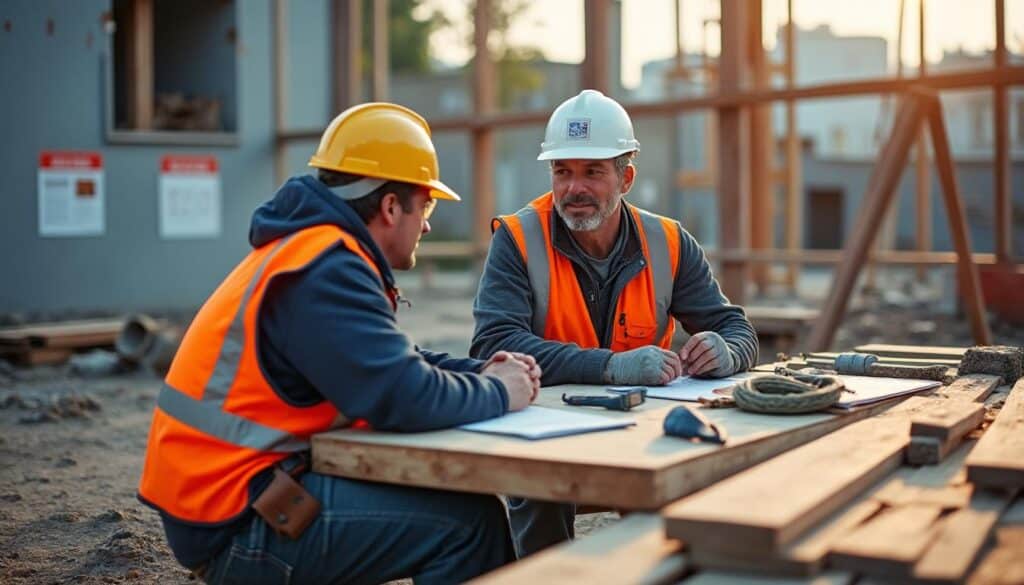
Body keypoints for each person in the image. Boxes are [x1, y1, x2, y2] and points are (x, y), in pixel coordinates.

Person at [138, 102, 541, 584]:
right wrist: (501, 392)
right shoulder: (326, 270)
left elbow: (395, 363)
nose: (428, 224)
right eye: (426, 205)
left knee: (457, 511)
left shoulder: (313, 251)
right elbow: (402, 398)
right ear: (391, 206)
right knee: (469, 525)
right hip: (238, 520)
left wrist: (480, 371)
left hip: (227, 495)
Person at [470, 89, 757, 557]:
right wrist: (612, 366)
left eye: (592, 172)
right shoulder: (519, 239)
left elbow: (736, 328)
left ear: (626, 177)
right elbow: (492, 346)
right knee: (541, 492)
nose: (573, 188)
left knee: (689, 493)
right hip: (547, 437)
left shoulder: (667, 242)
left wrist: (728, 352)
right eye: (562, 171)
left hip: (640, 434)